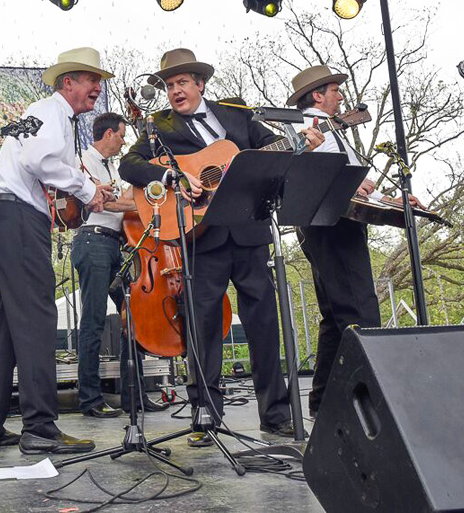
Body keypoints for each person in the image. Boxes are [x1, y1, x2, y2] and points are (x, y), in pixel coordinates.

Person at [118, 48, 324, 444]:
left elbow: (272, 152)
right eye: (169, 85)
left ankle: (276, 413)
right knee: (203, 327)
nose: (175, 91)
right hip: (200, 238)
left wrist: (302, 144)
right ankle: (205, 413)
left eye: (182, 82)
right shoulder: (158, 125)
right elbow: (130, 165)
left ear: (200, 84)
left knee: (264, 323)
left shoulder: (239, 113)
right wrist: (171, 174)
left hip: (249, 233)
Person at [0, 47, 114, 454]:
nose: (97, 88)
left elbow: (40, 163)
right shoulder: (50, 111)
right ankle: (41, 428)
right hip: (18, 219)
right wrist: (86, 189)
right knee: (38, 319)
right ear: (68, 82)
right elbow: (38, 158)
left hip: (10, 218)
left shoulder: (55, 117)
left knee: (13, 328)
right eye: (90, 80)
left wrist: (82, 189)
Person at [287, 65, 422, 418]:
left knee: (335, 316)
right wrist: (356, 183)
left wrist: (391, 200)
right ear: (317, 95)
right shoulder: (308, 127)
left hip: (329, 222)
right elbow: (323, 176)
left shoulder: (331, 130)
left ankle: (325, 403)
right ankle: (365, 402)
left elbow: (358, 186)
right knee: (360, 311)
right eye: (335, 90)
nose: (341, 96)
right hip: (332, 224)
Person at [71, 113, 170, 418]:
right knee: (94, 320)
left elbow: (121, 198)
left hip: (115, 244)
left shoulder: (112, 167)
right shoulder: (81, 160)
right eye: (123, 135)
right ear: (110, 134)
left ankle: (134, 395)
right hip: (93, 241)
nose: (125, 141)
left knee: (135, 315)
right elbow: (100, 203)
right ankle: (90, 399)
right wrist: (141, 203)